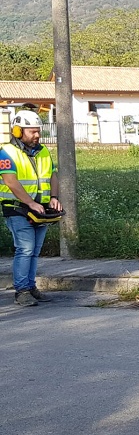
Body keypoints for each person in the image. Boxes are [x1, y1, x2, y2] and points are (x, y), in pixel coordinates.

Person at [0, 110, 63, 307]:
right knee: (25, 249)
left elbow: (53, 175)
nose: (37, 135)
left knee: (34, 251)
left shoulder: (43, 151)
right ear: (18, 132)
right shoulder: (6, 153)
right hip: (17, 208)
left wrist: (54, 197)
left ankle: (31, 286)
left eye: (38, 131)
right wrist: (30, 202)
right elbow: (11, 182)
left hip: (40, 209)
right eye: (32, 132)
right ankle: (22, 291)